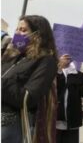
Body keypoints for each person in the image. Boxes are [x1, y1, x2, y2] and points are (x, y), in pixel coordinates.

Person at [1, 15, 58, 143]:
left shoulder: (46, 61)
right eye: (17, 29)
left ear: (38, 35)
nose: (17, 33)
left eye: (23, 30)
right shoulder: (11, 56)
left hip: (11, 126)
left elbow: (28, 98)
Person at [56, 54, 83, 143]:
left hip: (73, 122)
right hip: (55, 121)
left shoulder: (78, 75)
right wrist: (59, 69)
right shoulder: (53, 73)